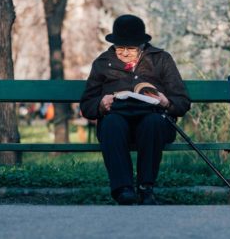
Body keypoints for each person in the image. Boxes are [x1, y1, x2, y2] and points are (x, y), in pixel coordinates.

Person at [80, 14, 191, 205]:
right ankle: (123, 189)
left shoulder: (161, 59)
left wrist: (166, 102)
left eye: (130, 48)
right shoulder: (102, 62)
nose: (123, 53)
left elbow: (182, 101)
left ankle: (145, 188)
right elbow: (86, 105)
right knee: (111, 124)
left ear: (141, 45)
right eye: (119, 47)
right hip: (118, 121)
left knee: (153, 123)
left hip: (153, 120)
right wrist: (100, 104)